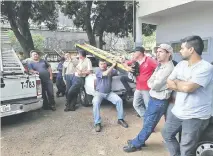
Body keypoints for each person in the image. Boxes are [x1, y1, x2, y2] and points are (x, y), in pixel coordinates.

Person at [162, 35, 213, 156]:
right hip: (178, 111)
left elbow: (188, 88)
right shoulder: (181, 64)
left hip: (195, 115)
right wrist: (182, 85)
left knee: (186, 149)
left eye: (182, 48)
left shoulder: (206, 67)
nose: (179, 51)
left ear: (191, 50)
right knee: (166, 134)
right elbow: (169, 82)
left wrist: (178, 82)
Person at [123, 44, 174, 152]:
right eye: (157, 51)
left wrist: (151, 83)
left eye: (161, 52)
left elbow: (156, 84)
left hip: (159, 100)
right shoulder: (161, 65)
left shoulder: (168, 68)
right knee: (148, 121)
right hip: (154, 96)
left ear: (168, 54)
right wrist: (151, 82)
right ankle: (139, 140)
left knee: (149, 123)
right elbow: (152, 80)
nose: (158, 54)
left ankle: (136, 143)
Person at [92, 59, 128, 132]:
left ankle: (120, 119)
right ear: (99, 65)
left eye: (104, 63)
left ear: (106, 64)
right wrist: (113, 66)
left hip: (109, 93)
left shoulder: (111, 70)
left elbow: (120, 71)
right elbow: (105, 73)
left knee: (119, 100)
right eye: (101, 64)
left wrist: (120, 63)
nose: (103, 65)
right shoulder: (98, 71)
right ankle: (97, 123)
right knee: (95, 103)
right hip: (99, 93)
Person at [126, 47, 157, 118]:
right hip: (138, 87)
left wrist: (154, 78)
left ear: (139, 53)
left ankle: (150, 124)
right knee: (136, 104)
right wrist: (123, 62)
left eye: (134, 52)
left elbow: (159, 68)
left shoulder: (149, 60)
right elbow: (127, 63)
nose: (133, 54)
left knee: (148, 106)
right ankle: (146, 118)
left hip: (147, 88)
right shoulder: (136, 60)